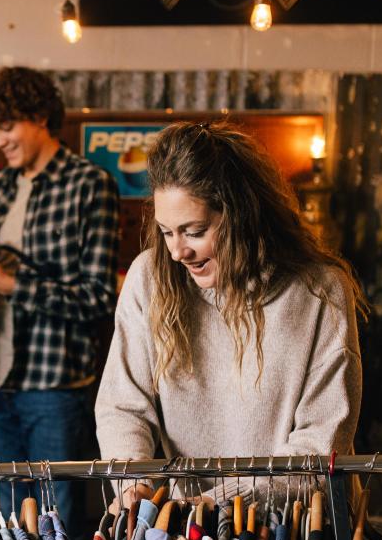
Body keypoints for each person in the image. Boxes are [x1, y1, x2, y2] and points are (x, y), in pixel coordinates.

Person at [95, 121, 366, 477]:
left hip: (291, 509)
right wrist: (134, 484)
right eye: (166, 232)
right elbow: (123, 406)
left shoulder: (320, 291)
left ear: (241, 215)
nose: (177, 252)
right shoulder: (149, 278)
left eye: (194, 232)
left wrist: (224, 501)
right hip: (184, 511)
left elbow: (320, 440)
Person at [0, 67, 120, 540]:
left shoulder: (90, 184)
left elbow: (98, 296)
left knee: (59, 525)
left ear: (40, 117)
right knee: (5, 529)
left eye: (6, 126)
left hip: (53, 387)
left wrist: (9, 284)